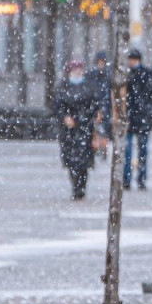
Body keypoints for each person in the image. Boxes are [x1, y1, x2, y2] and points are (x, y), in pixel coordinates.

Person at [54, 61, 101, 200]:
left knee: (84, 161)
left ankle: (81, 187)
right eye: (75, 69)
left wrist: (96, 115)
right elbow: (57, 106)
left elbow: (95, 104)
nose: (78, 72)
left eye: (80, 69)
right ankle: (75, 185)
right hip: (69, 130)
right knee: (71, 160)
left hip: (85, 127)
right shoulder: (62, 87)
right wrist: (64, 117)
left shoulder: (88, 87)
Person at [124, 49, 152, 191]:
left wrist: (150, 110)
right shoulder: (140, 75)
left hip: (138, 118)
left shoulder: (138, 75)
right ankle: (133, 178)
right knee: (135, 150)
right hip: (137, 118)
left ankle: (137, 178)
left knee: (139, 150)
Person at [85, 51, 112, 158]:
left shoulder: (108, 76)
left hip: (105, 106)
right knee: (94, 129)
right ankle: (96, 148)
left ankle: (103, 147)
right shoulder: (91, 75)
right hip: (95, 106)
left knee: (104, 129)